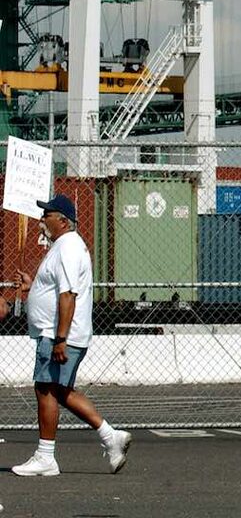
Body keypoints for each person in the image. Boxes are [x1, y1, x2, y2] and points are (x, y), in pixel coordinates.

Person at [11, 195, 132, 477]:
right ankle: (111, 437)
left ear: (63, 221)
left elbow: (68, 295)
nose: (42, 220)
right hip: (58, 332)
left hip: (58, 334)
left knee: (46, 388)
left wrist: (60, 338)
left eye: (47, 215)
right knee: (60, 391)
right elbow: (57, 289)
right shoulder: (63, 246)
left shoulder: (67, 247)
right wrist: (33, 286)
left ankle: (45, 457)